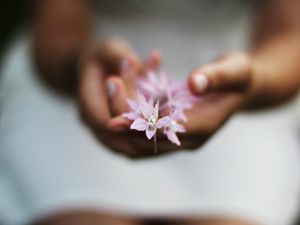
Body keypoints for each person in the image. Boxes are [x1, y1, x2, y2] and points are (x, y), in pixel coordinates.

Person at [0, 0, 300, 224]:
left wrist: (248, 82)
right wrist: (81, 65)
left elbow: (290, 39)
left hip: (238, 70)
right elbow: (57, 29)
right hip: (88, 65)